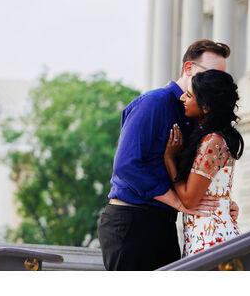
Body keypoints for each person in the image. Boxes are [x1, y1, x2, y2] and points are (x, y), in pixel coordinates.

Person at [97, 39, 238, 270]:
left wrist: (222, 203)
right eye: (210, 73)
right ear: (189, 69)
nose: (215, 81)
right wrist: (181, 204)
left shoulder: (198, 120)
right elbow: (127, 166)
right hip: (132, 220)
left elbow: (197, 176)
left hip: (166, 223)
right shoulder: (155, 102)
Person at [164, 68, 243, 256]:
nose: (182, 98)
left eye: (189, 95)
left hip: (212, 243)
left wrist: (169, 158)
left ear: (206, 107)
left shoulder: (213, 142)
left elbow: (189, 199)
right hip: (206, 239)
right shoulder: (215, 138)